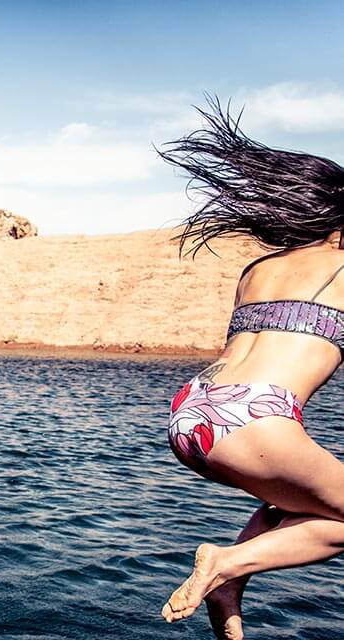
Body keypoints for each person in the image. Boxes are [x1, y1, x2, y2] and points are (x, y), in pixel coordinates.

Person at [158, 99, 344, 640]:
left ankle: (231, 584)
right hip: (256, 417)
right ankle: (226, 566)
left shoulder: (260, 267)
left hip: (193, 411)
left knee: (294, 498)